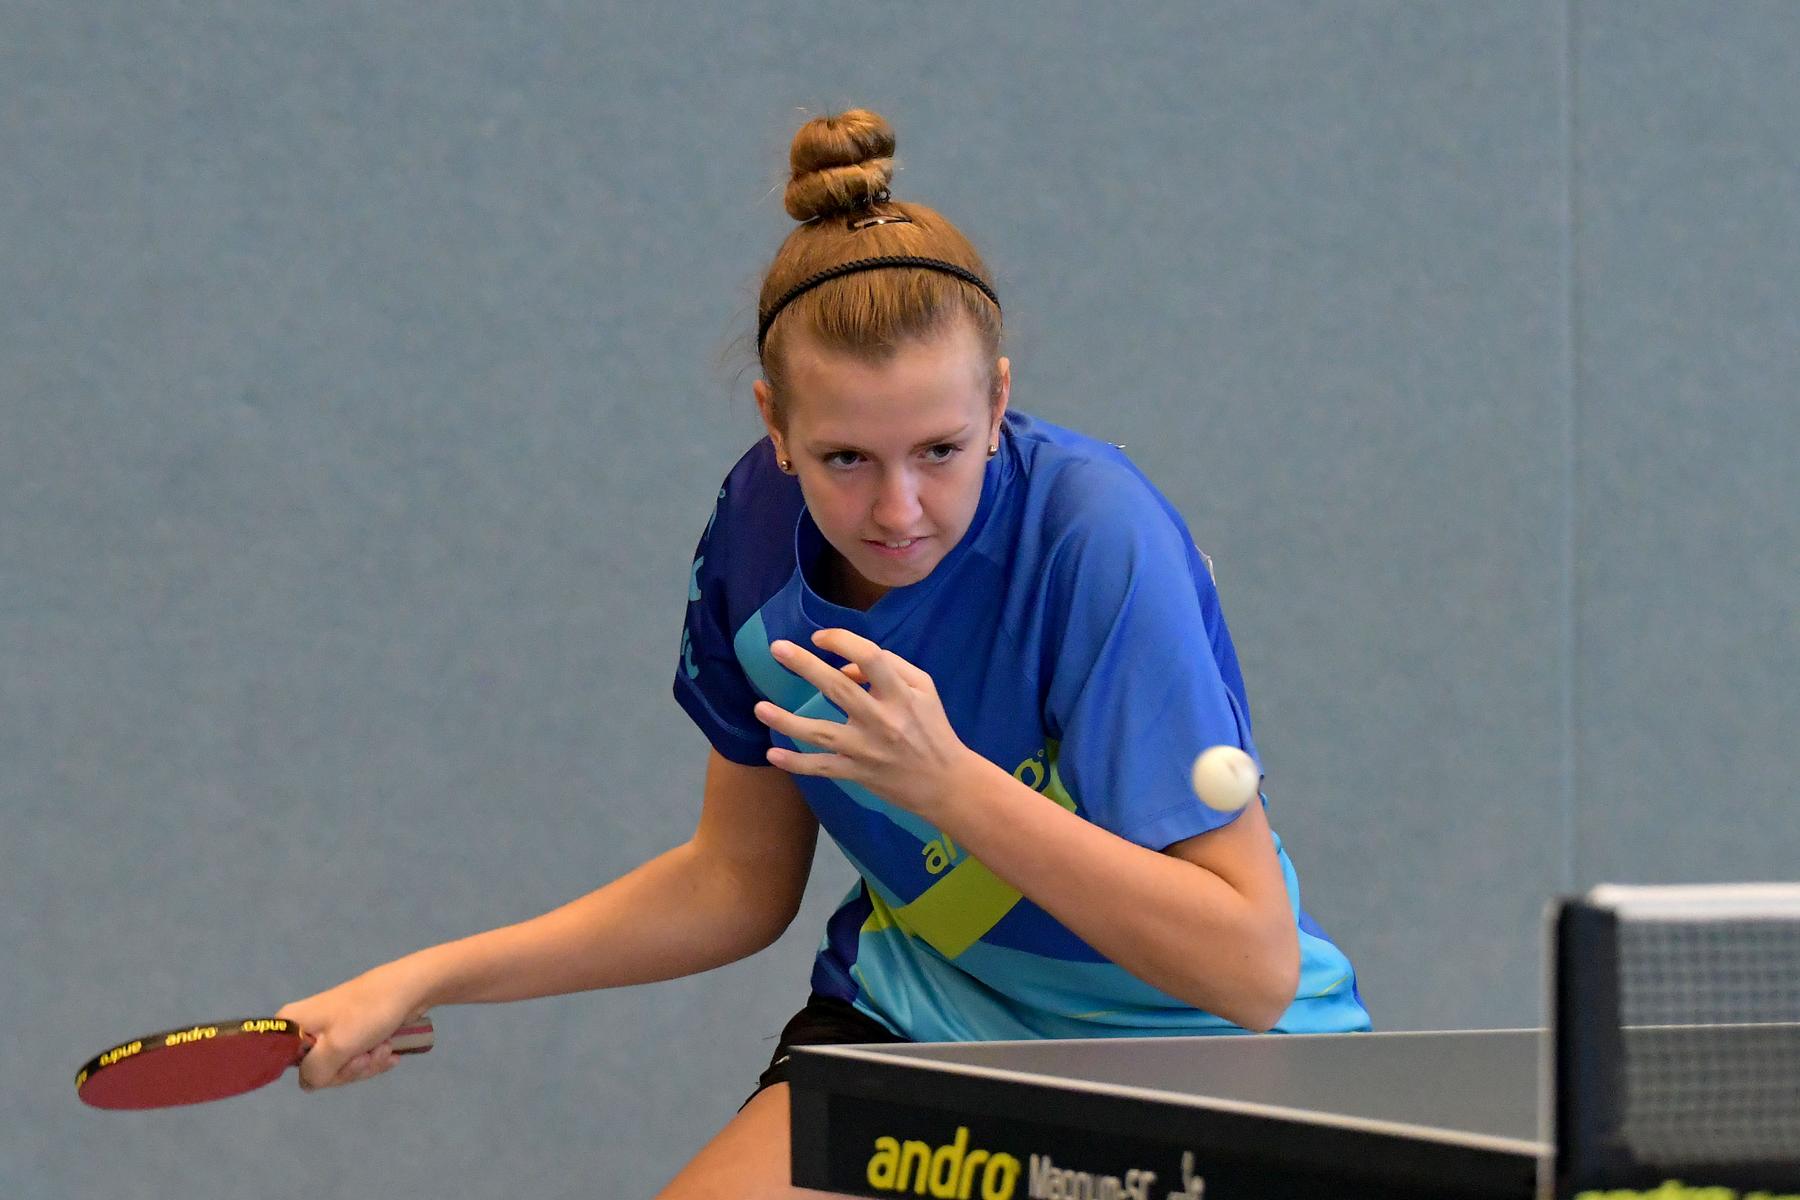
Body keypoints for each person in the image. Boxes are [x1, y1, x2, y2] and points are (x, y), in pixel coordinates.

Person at [279, 108, 1370, 1198]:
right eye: (846, 456)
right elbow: (734, 884)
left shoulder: (1094, 540)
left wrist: (947, 785)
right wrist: (427, 976)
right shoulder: (757, 545)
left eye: (940, 450)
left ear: (997, 400)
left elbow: (1250, 971)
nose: (899, 509)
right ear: (776, 425)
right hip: (928, 1025)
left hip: (1205, 1059)